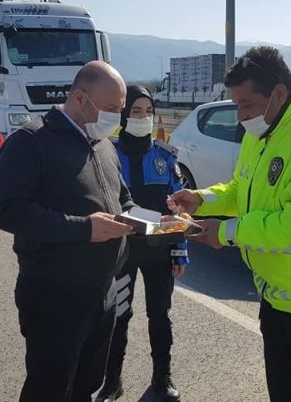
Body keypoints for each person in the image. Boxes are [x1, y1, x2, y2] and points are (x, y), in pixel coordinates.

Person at [168, 46, 291, 401]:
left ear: (278, 93)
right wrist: (201, 199)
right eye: (236, 106)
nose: (240, 116)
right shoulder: (258, 134)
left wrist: (227, 233)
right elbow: (241, 190)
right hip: (277, 301)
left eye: (246, 105)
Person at [0, 61, 136, 402]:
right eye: (111, 108)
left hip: (102, 294)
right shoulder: (31, 140)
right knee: (49, 389)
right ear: (80, 97)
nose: (117, 117)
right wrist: (85, 228)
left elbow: (123, 199)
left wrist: (142, 220)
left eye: (121, 108)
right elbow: (6, 210)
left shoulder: (104, 146)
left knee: (86, 386)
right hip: (54, 299)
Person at [96, 86, 188, 402]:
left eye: (148, 112)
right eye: (136, 112)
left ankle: (162, 377)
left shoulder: (164, 157)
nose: (144, 118)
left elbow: (178, 211)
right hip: (120, 254)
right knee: (117, 317)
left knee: (160, 315)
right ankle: (112, 381)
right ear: (123, 115)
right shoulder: (107, 153)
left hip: (159, 254)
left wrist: (179, 250)